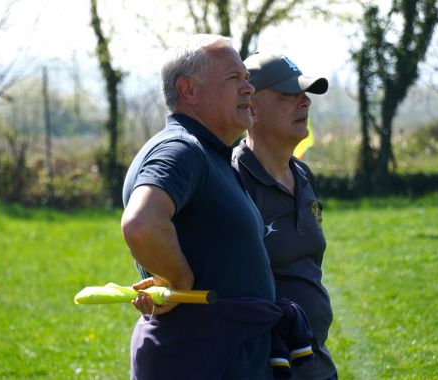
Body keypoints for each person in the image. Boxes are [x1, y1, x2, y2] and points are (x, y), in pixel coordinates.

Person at [121, 35, 276, 379]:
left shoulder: (207, 153)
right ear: (188, 90)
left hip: (218, 353)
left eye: (246, 77)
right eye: (234, 78)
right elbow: (141, 224)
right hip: (200, 357)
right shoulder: (181, 150)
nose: (248, 88)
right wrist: (179, 280)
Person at [232, 51, 337, 380]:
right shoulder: (231, 180)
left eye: (305, 95)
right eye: (288, 95)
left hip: (314, 360)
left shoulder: (304, 175)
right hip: (263, 366)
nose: (304, 102)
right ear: (252, 108)